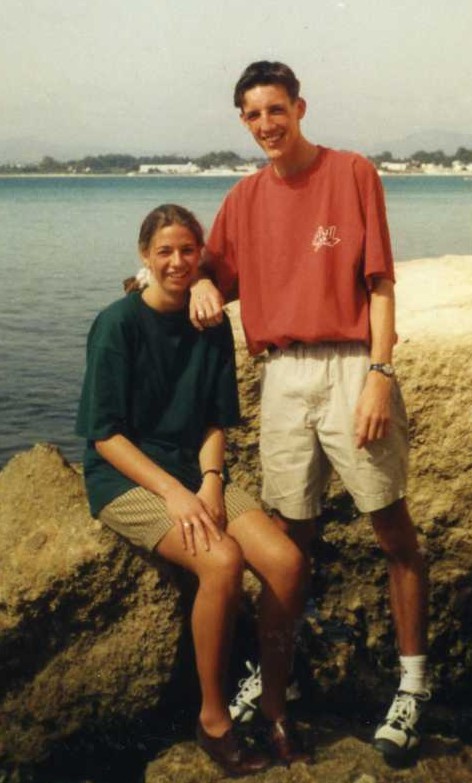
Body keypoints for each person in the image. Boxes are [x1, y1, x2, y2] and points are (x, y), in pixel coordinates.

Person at [189, 61, 430, 765]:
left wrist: (380, 375)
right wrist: (199, 280)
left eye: (277, 109)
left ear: (299, 107)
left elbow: (380, 283)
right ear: (242, 121)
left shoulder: (352, 172)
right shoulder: (242, 199)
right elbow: (208, 273)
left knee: (392, 528)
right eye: (253, 114)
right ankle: (276, 682)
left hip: (353, 364)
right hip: (284, 375)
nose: (267, 124)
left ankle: (413, 686)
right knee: (289, 541)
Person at [76, 203, 311, 775]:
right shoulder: (117, 324)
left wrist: (209, 482)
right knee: (222, 561)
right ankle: (213, 719)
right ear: (144, 256)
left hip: (192, 467)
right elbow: (105, 436)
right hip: (126, 476)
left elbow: (212, 420)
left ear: (200, 254)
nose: (177, 262)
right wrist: (175, 495)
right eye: (165, 252)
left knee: (285, 562)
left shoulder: (212, 325)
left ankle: (273, 706)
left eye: (187, 250)